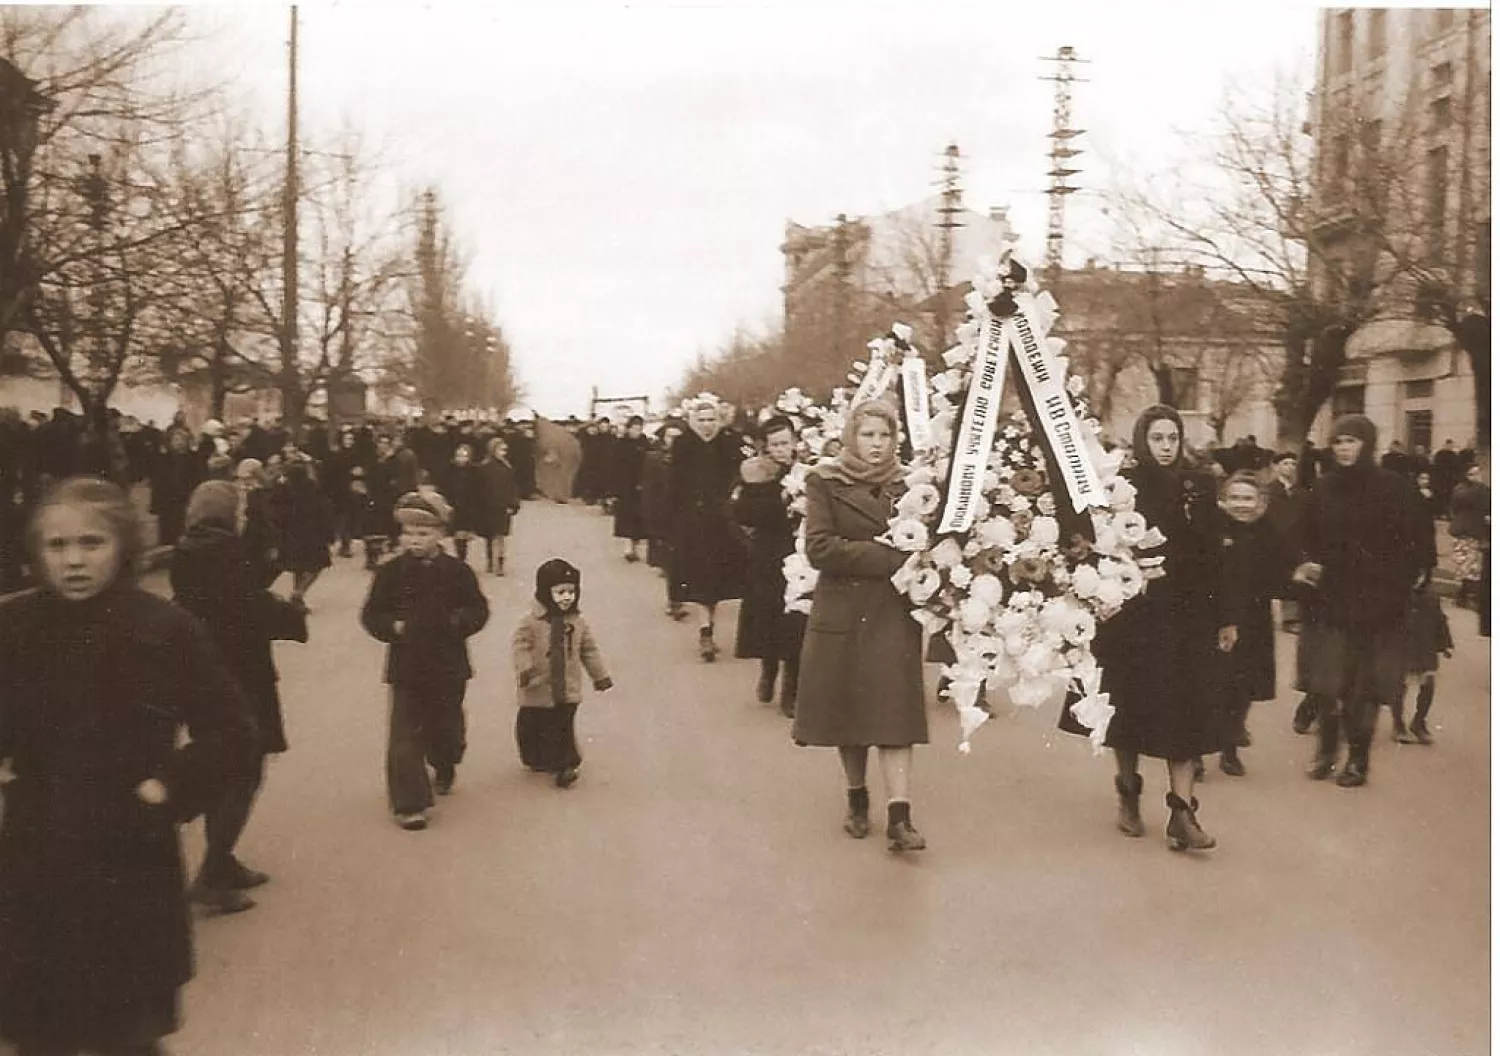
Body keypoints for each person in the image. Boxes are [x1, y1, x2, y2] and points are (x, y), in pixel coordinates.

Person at [0, 477, 257, 1056]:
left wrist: (166, 789)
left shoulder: (165, 629)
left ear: (124, 546)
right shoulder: (11, 627)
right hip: (33, 856)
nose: (73, 560)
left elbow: (232, 733)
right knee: (39, 1034)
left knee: (126, 1034)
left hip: (129, 855)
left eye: (92, 543)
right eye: (57, 545)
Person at [793, 401, 928, 853]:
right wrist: (890, 557)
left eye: (885, 436)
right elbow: (820, 548)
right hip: (844, 608)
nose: (876, 445)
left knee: (894, 712)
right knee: (848, 713)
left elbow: (928, 539)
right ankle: (856, 796)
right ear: (852, 437)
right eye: (868, 435)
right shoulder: (824, 480)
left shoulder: (912, 484)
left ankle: (900, 815)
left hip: (893, 609)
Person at [1088, 405, 1220, 852]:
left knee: (1184, 715)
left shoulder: (1199, 486)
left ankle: (1182, 813)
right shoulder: (1122, 486)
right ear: (1142, 440)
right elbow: (1101, 546)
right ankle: (1128, 791)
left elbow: (1212, 553)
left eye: (1172, 438)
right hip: (1134, 618)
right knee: (1127, 710)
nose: (1165, 447)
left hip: (1185, 618)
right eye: (1157, 438)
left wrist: (1222, 617)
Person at [170, 481, 306, 915]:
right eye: (242, 508)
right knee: (244, 771)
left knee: (225, 765)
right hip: (239, 677)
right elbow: (248, 608)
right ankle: (211, 871)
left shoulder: (190, 549)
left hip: (204, 675)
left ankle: (222, 862)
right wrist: (292, 617)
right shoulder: (226, 552)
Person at [1293, 415, 1432, 789]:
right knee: (1325, 684)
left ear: (1367, 445)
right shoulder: (1321, 488)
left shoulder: (1395, 488)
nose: (1343, 449)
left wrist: (1401, 583)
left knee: (1364, 687)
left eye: (1352, 441)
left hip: (1377, 606)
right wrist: (1306, 564)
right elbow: (1303, 537)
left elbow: (1418, 543)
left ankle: (1357, 759)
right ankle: (1325, 753)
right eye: (1337, 442)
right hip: (1329, 602)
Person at [359, 491, 489, 830]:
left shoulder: (458, 572)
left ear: (441, 534)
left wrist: (456, 622)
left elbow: (478, 610)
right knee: (404, 732)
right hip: (407, 666)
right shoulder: (390, 573)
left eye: (423, 533)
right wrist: (392, 626)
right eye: (408, 533)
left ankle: (445, 763)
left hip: (448, 665)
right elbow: (372, 614)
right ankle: (410, 803)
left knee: (445, 729)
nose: (413, 540)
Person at [1211, 472, 1290, 777]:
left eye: (1248, 499)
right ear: (1224, 500)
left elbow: (1281, 573)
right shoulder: (1213, 529)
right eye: (1235, 498)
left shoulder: (1267, 531)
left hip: (1253, 618)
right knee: (1212, 684)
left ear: (1259, 503)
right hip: (1216, 616)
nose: (1241, 505)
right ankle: (1195, 751)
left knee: (1243, 686)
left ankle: (1229, 747)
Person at [511, 559, 614, 788]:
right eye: (560, 592)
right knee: (531, 723)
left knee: (562, 726)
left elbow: (589, 649)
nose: (567, 597)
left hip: (567, 687)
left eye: (571, 591)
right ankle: (533, 755)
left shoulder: (578, 622)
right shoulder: (530, 622)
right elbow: (520, 646)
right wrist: (525, 668)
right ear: (546, 592)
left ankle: (566, 765)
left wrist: (599, 675)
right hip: (538, 685)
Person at [732, 416, 806, 718]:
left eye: (785, 443)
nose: (780, 450)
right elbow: (743, 512)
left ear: (795, 442)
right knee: (768, 616)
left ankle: (792, 690)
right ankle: (768, 671)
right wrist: (782, 502)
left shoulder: (806, 470)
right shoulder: (755, 474)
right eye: (774, 444)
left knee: (796, 619)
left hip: (800, 554)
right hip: (769, 554)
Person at [668, 397, 747, 661]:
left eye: (711, 419)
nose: (706, 426)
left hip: (723, 522)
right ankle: (705, 632)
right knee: (701, 579)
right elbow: (674, 486)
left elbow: (741, 475)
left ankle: (708, 628)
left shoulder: (730, 444)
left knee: (717, 579)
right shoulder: (682, 446)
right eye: (701, 420)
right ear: (693, 422)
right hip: (693, 523)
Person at [267, 460, 334, 613]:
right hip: (313, 535)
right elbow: (324, 510)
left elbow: (273, 511)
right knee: (316, 566)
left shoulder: (282, 489)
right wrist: (328, 533)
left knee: (299, 567)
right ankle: (298, 594)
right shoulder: (312, 488)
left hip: (291, 535)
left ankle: (298, 598)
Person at [1391, 583, 1453, 745]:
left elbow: (1440, 620)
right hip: (1403, 647)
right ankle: (1398, 724)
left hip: (1426, 649)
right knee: (1400, 685)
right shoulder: (1397, 592)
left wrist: (1445, 643)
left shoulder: (1431, 596)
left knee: (1428, 685)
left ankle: (1419, 722)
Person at [1447, 463, 1490, 610]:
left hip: (1469, 530)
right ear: (1467, 475)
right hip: (1468, 531)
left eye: (1478, 473)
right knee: (1468, 564)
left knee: (1470, 565)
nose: (1477, 476)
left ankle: (1464, 595)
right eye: (1472, 473)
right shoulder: (1469, 490)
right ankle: (1465, 596)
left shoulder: (1475, 490)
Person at [477, 437, 520, 576]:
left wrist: (513, 504)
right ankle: (491, 561)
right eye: (501, 450)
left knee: (499, 536)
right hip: (488, 506)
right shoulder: (484, 468)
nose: (504, 453)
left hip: (503, 506)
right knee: (490, 536)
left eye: (505, 450)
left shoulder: (507, 468)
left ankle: (499, 564)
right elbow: (480, 488)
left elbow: (512, 488)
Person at [440, 443, 486, 567]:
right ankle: (460, 558)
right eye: (458, 456)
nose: (461, 459)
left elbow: (480, 490)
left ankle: (461, 559)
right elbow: (443, 488)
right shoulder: (449, 470)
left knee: (462, 535)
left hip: (468, 508)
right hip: (453, 506)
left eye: (464, 456)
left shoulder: (475, 471)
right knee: (457, 535)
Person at [612, 416, 651, 563]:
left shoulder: (645, 443)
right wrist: (614, 489)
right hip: (625, 487)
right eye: (634, 428)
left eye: (640, 428)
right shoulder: (621, 444)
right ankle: (628, 548)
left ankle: (635, 547)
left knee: (640, 519)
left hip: (642, 486)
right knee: (627, 518)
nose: (637, 431)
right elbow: (615, 467)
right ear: (628, 428)